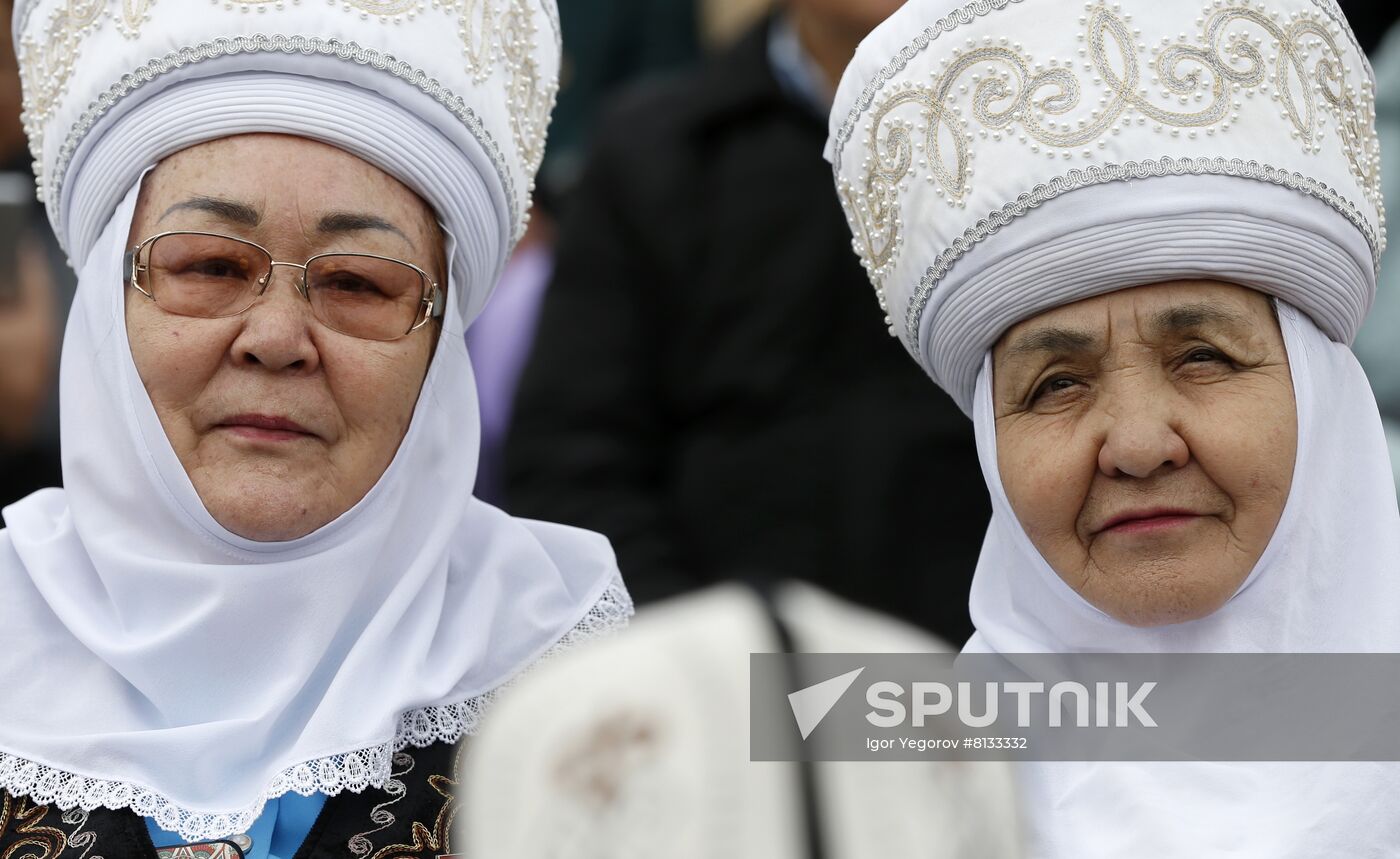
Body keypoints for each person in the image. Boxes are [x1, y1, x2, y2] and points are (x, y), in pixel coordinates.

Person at [0, 2, 631, 857]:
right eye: (211, 265)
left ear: (442, 342)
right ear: (106, 316)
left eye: (360, 284)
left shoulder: (579, 680)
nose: (276, 340)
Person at [828, 0, 1400, 854]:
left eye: (1201, 357)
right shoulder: (892, 813)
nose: (1136, 446)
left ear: (1318, 397)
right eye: (1056, 384)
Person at [505, 0, 988, 644]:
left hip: (1006, 689)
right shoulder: (655, 152)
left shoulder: (1063, 153)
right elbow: (574, 462)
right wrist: (705, 662)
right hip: (716, 695)